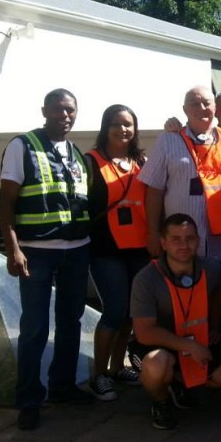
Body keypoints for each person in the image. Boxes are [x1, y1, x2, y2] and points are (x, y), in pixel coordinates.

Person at [0, 88, 93, 430]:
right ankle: (28, 399)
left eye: (70, 110)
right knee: (35, 327)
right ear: (45, 110)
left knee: (71, 324)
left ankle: (62, 387)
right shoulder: (22, 146)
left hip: (76, 251)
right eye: (58, 110)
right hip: (36, 253)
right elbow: (6, 204)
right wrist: (14, 249)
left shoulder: (77, 153)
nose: (64, 116)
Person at [139, 86, 221, 334]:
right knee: (179, 300)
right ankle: (181, 353)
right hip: (182, 243)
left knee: (219, 297)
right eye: (194, 103)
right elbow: (153, 190)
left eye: (206, 103)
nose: (202, 109)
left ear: (215, 108)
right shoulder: (169, 140)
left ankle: (215, 346)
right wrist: (153, 233)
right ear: (184, 108)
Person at [130, 214, 221, 430]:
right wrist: (188, 346)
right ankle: (160, 402)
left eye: (190, 238)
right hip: (158, 345)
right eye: (176, 239)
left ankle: (179, 382)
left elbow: (219, 294)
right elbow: (144, 333)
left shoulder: (212, 268)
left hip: (198, 338)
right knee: (156, 365)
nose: (184, 245)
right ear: (163, 242)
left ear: (198, 240)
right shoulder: (146, 278)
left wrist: (217, 327)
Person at [86, 104, 149, 400]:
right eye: (116, 124)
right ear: (105, 127)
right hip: (106, 249)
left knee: (129, 314)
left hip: (138, 249)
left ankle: (117, 367)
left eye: (128, 124)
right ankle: (99, 374)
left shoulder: (142, 161)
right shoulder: (90, 162)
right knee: (113, 310)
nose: (123, 130)